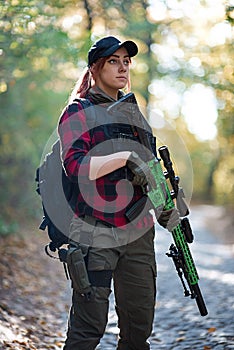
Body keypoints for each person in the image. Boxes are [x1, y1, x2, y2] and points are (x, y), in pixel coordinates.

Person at [58, 36, 179, 350]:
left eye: (127, 61)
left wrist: (167, 209)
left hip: (139, 233)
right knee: (88, 329)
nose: (123, 67)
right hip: (96, 230)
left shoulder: (134, 116)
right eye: (114, 61)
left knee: (138, 330)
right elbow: (76, 166)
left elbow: (150, 170)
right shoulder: (78, 111)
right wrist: (123, 158)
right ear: (96, 68)